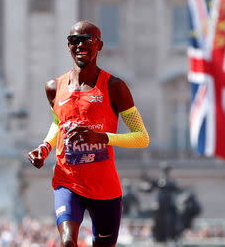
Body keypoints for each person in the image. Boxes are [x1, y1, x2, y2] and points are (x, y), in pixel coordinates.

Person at [27, 20, 150, 247]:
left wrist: (103, 137)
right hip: (67, 181)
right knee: (67, 242)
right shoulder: (54, 87)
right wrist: (44, 147)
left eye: (87, 40)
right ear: (68, 46)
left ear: (99, 45)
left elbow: (142, 137)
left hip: (104, 189)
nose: (80, 45)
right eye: (74, 40)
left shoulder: (115, 87)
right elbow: (58, 121)